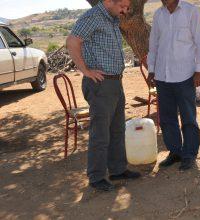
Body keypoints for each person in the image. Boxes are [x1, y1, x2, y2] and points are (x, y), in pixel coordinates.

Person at [66, 0, 140, 192]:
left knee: (117, 129)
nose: (125, 11)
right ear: (108, 1)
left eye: (126, 7)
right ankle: (97, 177)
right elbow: (72, 42)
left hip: (115, 82)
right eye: (122, 6)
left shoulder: (112, 18)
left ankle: (117, 170)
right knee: (100, 133)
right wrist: (85, 70)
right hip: (100, 84)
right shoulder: (93, 17)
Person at [147, 0, 200, 171]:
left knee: (188, 117)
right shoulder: (158, 14)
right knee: (167, 118)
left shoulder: (191, 11)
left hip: (185, 75)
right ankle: (175, 152)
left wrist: (199, 70)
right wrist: (151, 70)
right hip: (162, 76)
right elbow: (153, 46)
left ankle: (189, 154)